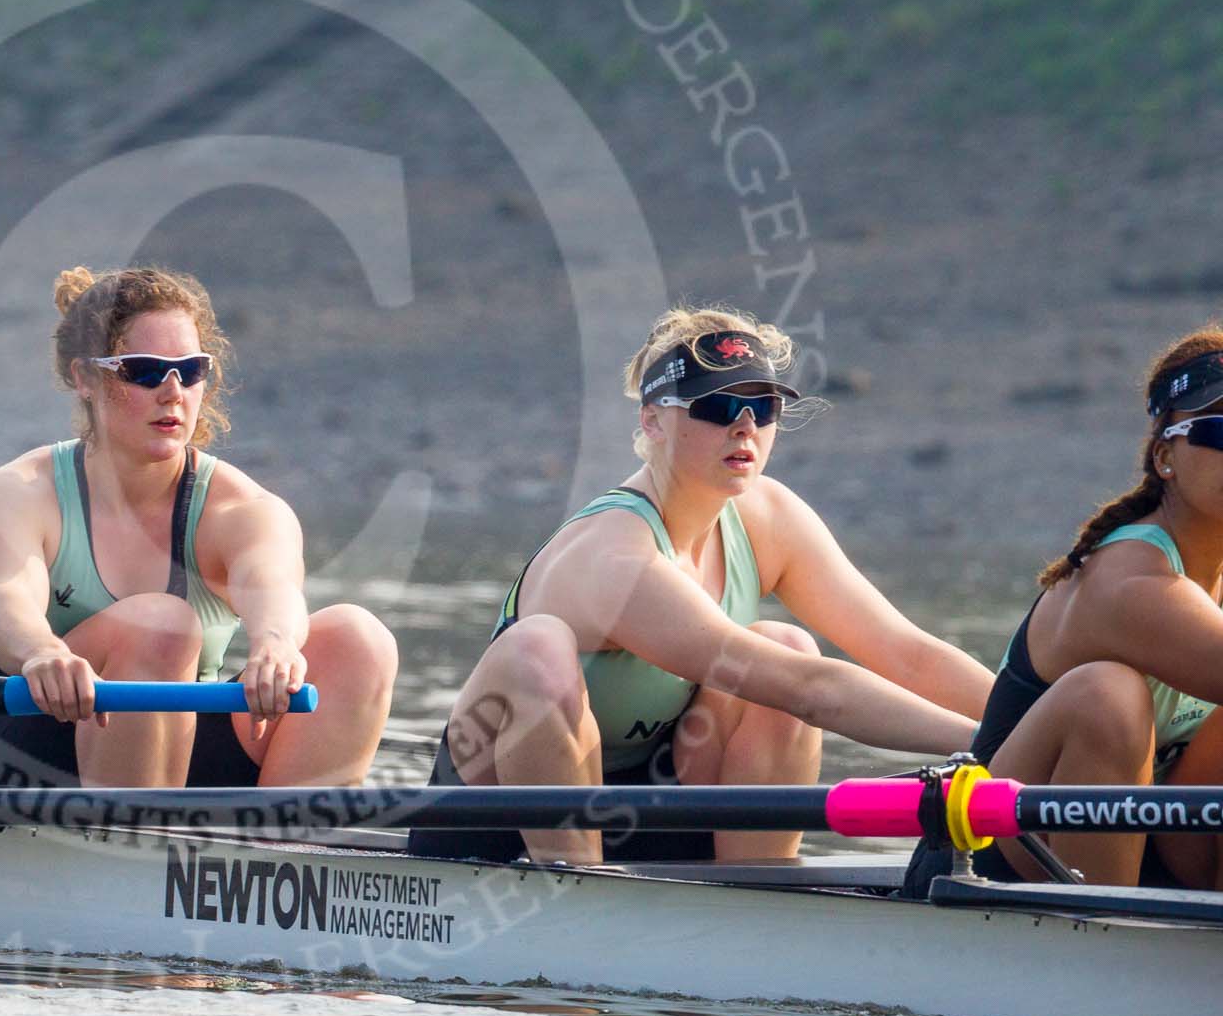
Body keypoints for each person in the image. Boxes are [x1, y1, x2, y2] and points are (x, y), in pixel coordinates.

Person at [409, 306, 989, 865]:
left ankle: (758, 896)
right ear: (653, 419)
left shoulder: (770, 519)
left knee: (786, 644)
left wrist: (1026, 719)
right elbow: (811, 690)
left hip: (646, 804)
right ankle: (579, 892)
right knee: (537, 648)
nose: (744, 425)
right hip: (491, 820)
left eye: (762, 407)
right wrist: (992, 747)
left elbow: (907, 654)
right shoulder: (613, 550)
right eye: (716, 406)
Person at [0, 265, 398, 790]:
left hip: (166, 750)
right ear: (84, 377)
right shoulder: (17, 493)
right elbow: (5, 609)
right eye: (144, 370)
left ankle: (280, 859)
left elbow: (272, 587)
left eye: (191, 369)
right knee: (161, 625)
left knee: (359, 640)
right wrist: (43, 652)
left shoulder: (244, 508)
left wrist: (274, 644)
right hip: (18, 746)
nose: (173, 391)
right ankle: (127, 854)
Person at [968, 327, 1223, 888]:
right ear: (1165, 458)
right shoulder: (1131, 578)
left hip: (1162, 843)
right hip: (1011, 848)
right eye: (1220, 429)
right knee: (1107, 693)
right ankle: (1103, 934)